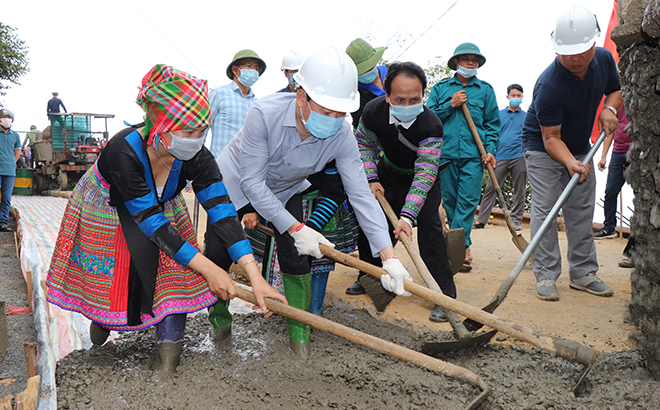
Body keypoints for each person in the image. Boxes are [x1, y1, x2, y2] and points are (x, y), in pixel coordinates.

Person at [46, 65, 286, 378]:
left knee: (175, 280)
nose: (197, 140)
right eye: (188, 132)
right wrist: (211, 269)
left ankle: (167, 365)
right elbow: (150, 223)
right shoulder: (123, 151)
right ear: (161, 127)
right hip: (107, 207)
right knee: (116, 276)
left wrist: (254, 275)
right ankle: (104, 319)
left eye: (203, 131)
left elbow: (223, 211)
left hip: (162, 209)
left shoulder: (198, 157)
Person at [216, 46, 414, 357]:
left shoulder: (342, 135)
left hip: (285, 188)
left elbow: (361, 194)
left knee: (295, 257)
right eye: (325, 110)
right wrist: (296, 226)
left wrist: (387, 256)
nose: (333, 120)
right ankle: (219, 321)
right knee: (218, 250)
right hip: (234, 185)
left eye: (340, 113)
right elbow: (251, 182)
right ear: (301, 97)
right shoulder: (263, 115)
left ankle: (300, 336)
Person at [521, 6, 622, 301]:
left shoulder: (603, 59)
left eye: (582, 50)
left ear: (594, 43)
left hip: (580, 144)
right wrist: (570, 164)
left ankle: (583, 273)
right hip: (542, 148)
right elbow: (551, 138)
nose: (576, 58)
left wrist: (609, 108)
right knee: (547, 209)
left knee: (580, 209)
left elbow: (616, 90)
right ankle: (547, 274)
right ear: (556, 49)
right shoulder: (548, 85)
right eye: (568, 53)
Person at [352, 61, 455, 322]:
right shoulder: (373, 111)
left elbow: (425, 173)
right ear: (387, 96)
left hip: (422, 181)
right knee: (373, 226)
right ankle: (370, 277)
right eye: (400, 99)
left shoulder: (431, 124)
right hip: (388, 174)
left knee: (430, 232)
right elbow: (363, 143)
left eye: (414, 99)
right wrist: (371, 177)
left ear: (423, 96)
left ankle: (443, 296)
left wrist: (408, 216)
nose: (407, 105)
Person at [427, 43, 501, 268]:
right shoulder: (441, 89)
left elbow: (492, 124)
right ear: (456, 62)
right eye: (466, 58)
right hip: (446, 155)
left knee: (468, 202)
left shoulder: (485, 90)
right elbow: (429, 119)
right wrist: (451, 104)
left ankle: (460, 246)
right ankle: (461, 245)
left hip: (474, 156)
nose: (471, 62)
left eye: (474, 59)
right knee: (449, 202)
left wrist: (489, 150)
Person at [474, 84, 527, 231]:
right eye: (513, 95)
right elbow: (490, 133)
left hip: (519, 157)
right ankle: (481, 221)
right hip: (499, 157)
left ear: (522, 97)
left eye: (519, 95)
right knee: (491, 188)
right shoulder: (498, 115)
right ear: (507, 97)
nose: (516, 98)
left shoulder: (527, 117)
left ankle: (516, 221)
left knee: (520, 190)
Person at [209, 49, 266, 157]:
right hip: (218, 166)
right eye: (249, 66)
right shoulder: (219, 94)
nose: (253, 71)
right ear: (235, 70)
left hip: (247, 167)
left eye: (256, 68)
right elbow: (202, 128)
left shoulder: (258, 104)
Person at [595, 101, 631, 239]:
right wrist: (603, 156)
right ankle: (609, 227)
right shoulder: (616, 105)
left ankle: (640, 235)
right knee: (610, 191)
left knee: (640, 195)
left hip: (637, 152)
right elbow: (609, 132)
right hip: (618, 153)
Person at [345, 38, 388, 131]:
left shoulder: (393, 72)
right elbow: (360, 123)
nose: (367, 72)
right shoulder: (356, 93)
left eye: (369, 68)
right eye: (362, 71)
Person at [0, 109, 21, 232]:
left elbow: (16, 154)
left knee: (6, 198)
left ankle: (3, 223)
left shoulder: (15, 136)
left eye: (9, 117)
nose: (7, 119)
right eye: (4, 117)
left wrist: (9, 163)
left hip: (9, 171)